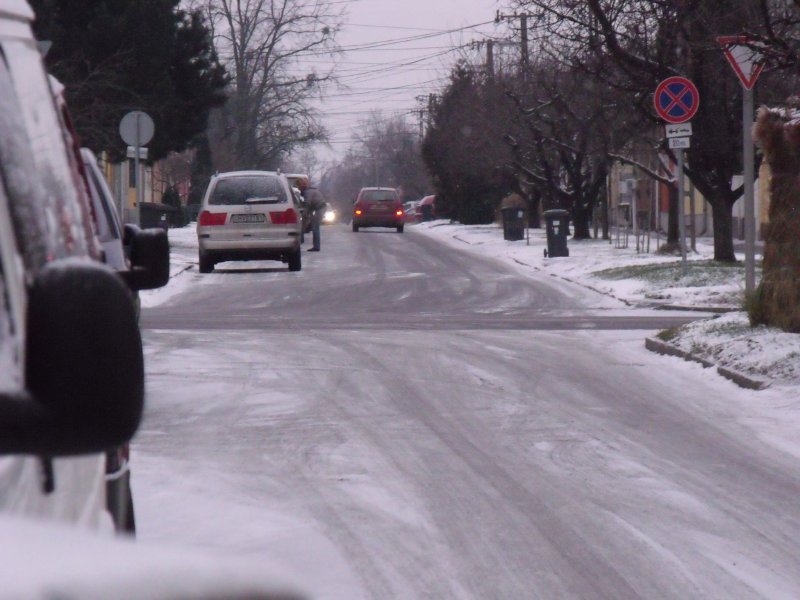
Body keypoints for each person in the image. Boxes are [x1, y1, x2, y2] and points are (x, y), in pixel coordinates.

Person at [297, 177, 326, 251]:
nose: (298, 188)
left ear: (301, 186)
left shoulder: (308, 192)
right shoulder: (309, 190)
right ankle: (315, 246)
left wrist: (304, 214)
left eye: (299, 186)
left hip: (320, 208)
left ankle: (316, 247)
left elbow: (307, 204)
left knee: (315, 227)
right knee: (313, 226)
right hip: (317, 208)